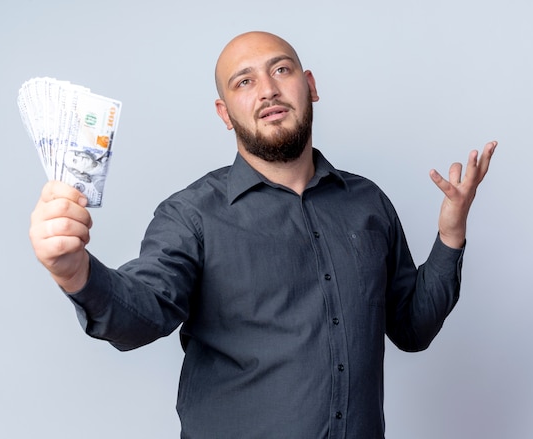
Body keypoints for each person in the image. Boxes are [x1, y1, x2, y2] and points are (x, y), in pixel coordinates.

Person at [29, 31, 497, 439]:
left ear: (310, 86)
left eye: (281, 70)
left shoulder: (367, 204)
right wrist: (77, 274)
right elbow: (143, 313)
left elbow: (412, 328)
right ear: (225, 112)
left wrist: (451, 233)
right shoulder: (191, 216)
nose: (268, 90)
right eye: (245, 81)